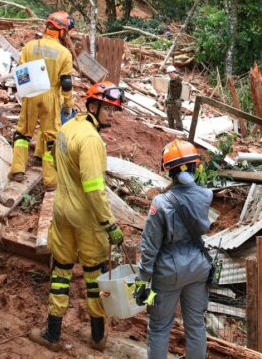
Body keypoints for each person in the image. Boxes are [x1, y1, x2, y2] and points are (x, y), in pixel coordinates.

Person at [28, 81, 125, 352]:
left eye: (114, 110)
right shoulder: (92, 140)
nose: (111, 115)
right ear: (93, 106)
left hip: (61, 212)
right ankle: (96, 336)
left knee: (61, 271)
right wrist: (110, 224)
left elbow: (54, 162)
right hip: (86, 218)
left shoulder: (67, 127)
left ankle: (52, 334)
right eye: (108, 109)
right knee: (95, 275)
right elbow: (95, 190)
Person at [135, 139, 212, 359]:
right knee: (196, 325)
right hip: (198, 266)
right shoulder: (205, 196)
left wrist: (142, 280)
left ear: (169, 170)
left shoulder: (161, 203)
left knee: (159, 327)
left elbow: (150, 246)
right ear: (196, 166)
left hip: (169, 270)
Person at [9, 11, 75, 191]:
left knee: (23, 133)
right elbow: (66, 82)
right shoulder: (64, 53)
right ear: (61, 31)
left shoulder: (29, 47)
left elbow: (20, 72)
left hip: (31, 93)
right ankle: (50, 180)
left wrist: (24, 92)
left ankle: (17, 170)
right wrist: (68, 103)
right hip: (50, 96)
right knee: (51, 138)